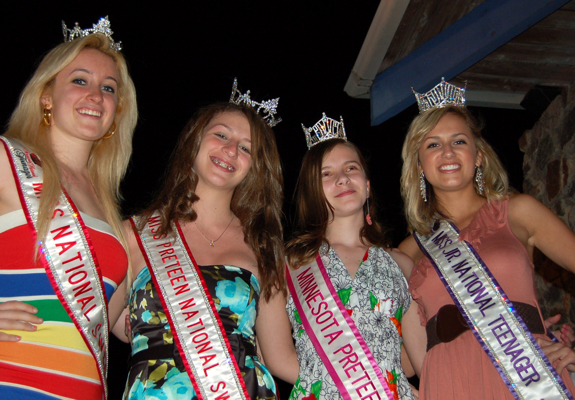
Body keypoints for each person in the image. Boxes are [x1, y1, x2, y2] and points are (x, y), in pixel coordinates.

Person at [0, 17, 138, 399]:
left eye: (108, 88)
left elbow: (100, 321)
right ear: (46, 95)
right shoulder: (3, 159)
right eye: (80, 80)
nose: (96, 95)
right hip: (3, 384)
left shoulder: (107, 208)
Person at [398, 79, 575, 399]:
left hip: (526, 377)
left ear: (478, 155)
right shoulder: (408, 251)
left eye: (459, 141)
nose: (447, 152)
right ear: (420, 164)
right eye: (433, 144)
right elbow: (403, 359)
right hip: (449, 382)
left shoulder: (519, 211)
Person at [116, 82, 285, 400]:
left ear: (254, 167)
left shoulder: (263, 247)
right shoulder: (134, 232)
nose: (232, 150)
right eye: (221, 135)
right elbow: (92, 321)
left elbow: (279, 357)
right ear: (194, 140)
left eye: (246, 148)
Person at [258, 114, 420, 400]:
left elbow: (419, 356)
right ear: (312, 192)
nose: (342, 178)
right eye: (326, 173)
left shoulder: (402, 264)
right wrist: (339, 387)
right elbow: (277, 357)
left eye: (351, 168)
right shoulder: (285, 264)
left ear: (367, 185)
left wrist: (386, 380)